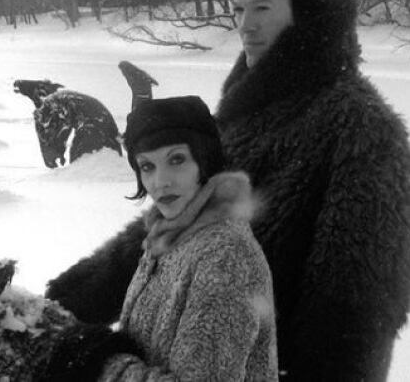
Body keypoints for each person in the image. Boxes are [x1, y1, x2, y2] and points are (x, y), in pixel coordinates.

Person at [217, 0, 410, 381]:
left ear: (302, 9)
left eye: (261, 7)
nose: (245, 25)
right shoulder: (246, 109)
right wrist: (84, 291)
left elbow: (354, 316)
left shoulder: (361, 127)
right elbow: (183, 219)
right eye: (238, 9)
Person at [40, 96, 278, 381]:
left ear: (205, 161)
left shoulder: (225, 256)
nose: (160, 181)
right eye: (147, 166)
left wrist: (100, 363)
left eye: (176, 160)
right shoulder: (168, 237)